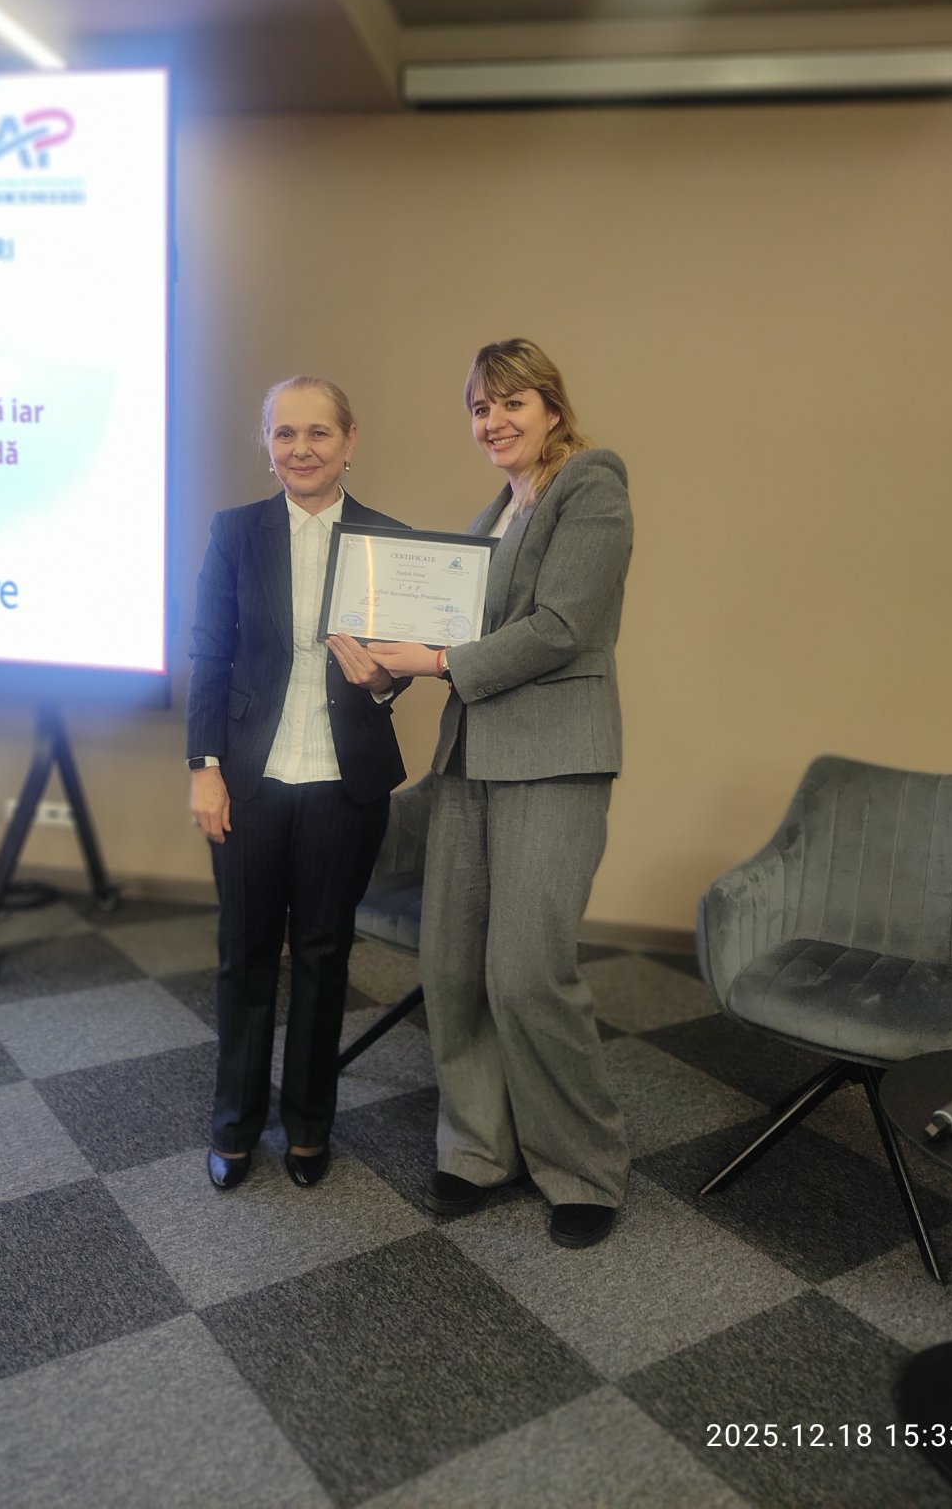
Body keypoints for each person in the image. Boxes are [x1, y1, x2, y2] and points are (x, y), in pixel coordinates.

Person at [368, 337, 632, 1250]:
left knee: (526, 974)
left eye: (511, 402)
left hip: (554, 758)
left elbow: (562, 626)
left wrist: (437, 661)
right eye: (480, 408)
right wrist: (390, 664)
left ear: (551, 408)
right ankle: (478, 1148)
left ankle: (582, 1168)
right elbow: (449, 632)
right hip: (469, 758)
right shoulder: (491, 515)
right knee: (452, 968)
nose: (493, 421)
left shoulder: (591, 483)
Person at [186, 375, 408, 1193]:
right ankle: (235, 1124)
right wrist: (203, 768)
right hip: (249, 778)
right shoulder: (235, 531)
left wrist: (383, 680)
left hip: (345, 784)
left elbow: (401, 665)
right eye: (285, 433)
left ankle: (309, 1124)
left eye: (318, 432)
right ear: (267, 444)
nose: (301, 449)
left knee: (323, 956)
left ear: (350, 441)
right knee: (244, 956)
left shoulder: (390, 541)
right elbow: (209, 654)